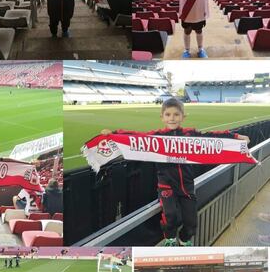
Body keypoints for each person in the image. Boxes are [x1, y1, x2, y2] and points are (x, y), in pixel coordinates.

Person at [102, 98, 250, 246]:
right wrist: (113, 134)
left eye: (176, 114)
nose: (172, 118)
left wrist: (236, 137)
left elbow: (214, 137)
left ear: (183, 117)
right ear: (162, 117)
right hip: (166, 185)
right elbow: (135, 137)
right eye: (168, 115)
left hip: (187, 185)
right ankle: (170, 238)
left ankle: (184, 239)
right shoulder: (157, 136)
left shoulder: (190, 134)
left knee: (191, 222)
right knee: (171, 215)